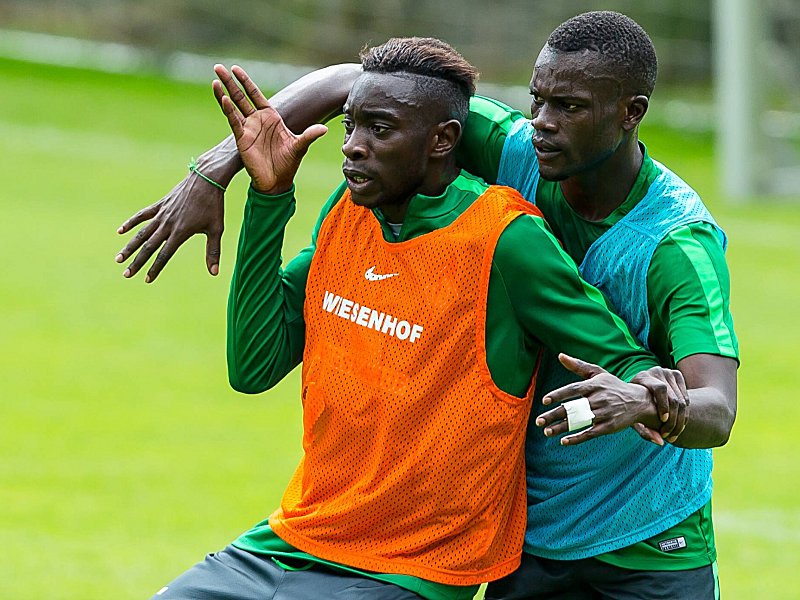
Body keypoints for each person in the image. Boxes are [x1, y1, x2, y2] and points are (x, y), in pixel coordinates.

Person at [118, 12, 738, 599]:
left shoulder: (672, 244)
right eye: (537, 100)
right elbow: (354, 83)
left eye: (569, 108)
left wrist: (645, 395)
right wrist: (222, 173)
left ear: (632, 114)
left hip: (647, 538)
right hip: (535, 532)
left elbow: (716, 407)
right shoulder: (510, 153)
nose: (543, 121)